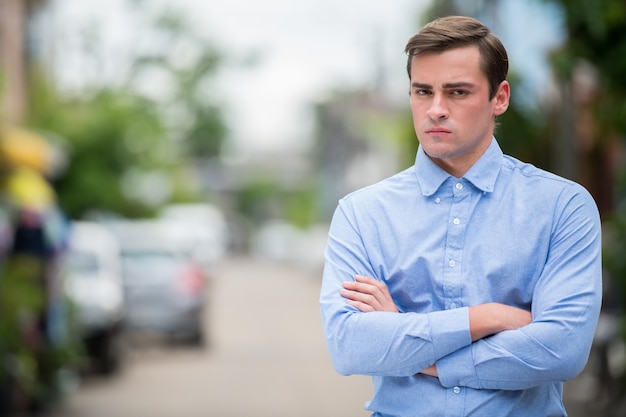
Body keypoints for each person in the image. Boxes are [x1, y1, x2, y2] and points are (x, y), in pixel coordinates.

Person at [319, 15, 602, 417]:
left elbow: (561, 350)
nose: (435, 109)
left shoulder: (562, 207)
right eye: (422, 91)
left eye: (457, 92)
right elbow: (350, 347)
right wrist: (488, 318)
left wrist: (413, 345)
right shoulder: (362, 213)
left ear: (499, 97)